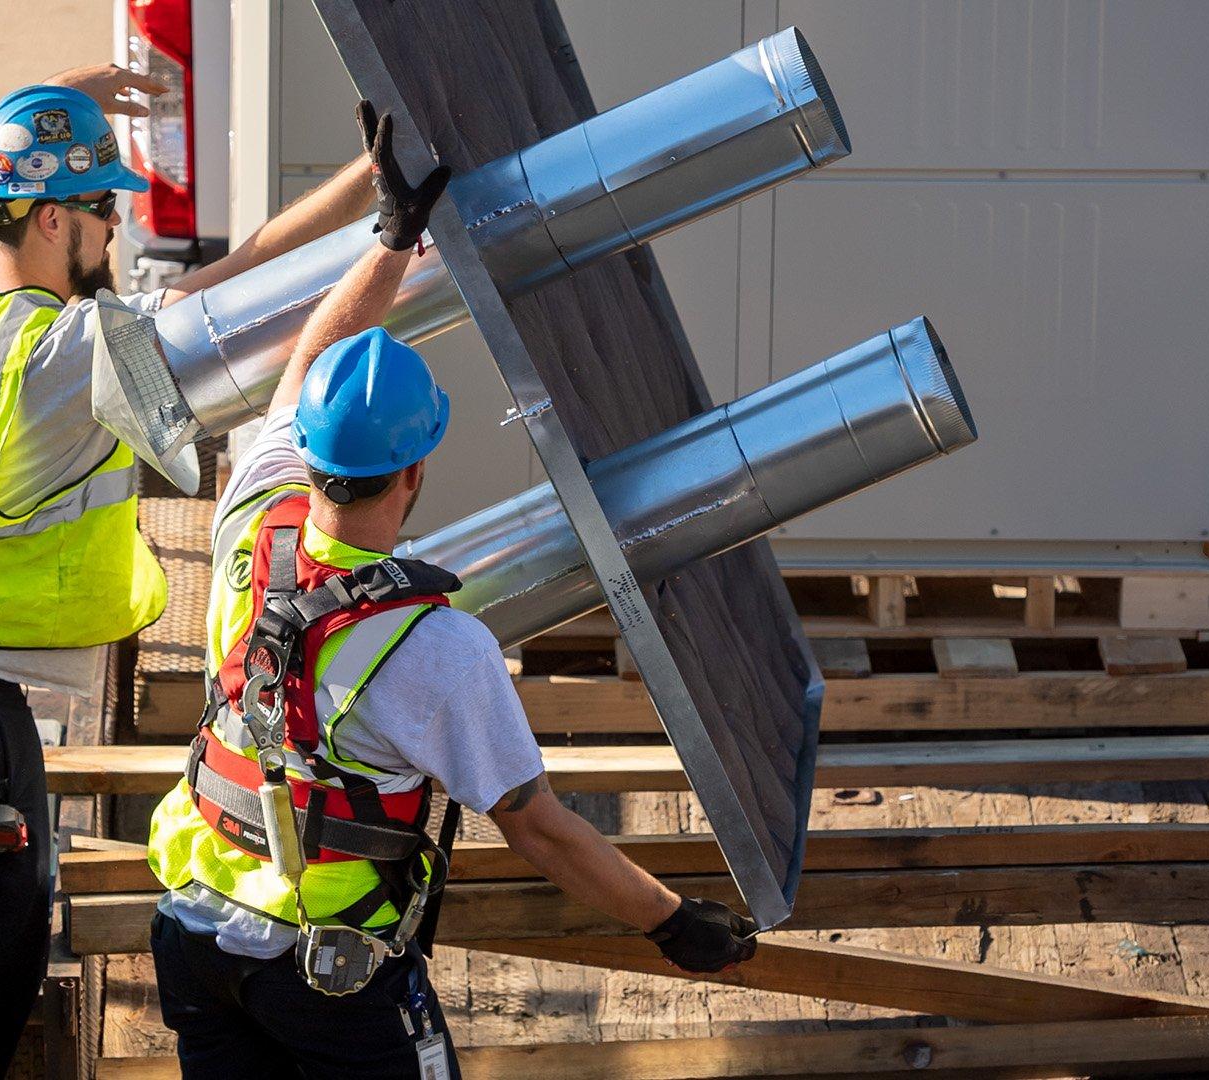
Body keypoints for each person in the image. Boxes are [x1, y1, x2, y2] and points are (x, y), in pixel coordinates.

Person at [144, 104, 758, 1080]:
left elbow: (309, 364)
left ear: (311, 453)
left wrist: (390, 239)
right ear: (415, 474)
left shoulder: (250, 521)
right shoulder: (436, 651)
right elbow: (541, 829)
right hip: (323, 967)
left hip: (195, 928)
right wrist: (675, 922)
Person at [0, 64, 380, 1077]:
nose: (116, 233)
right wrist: (377, 207)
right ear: (51, 220)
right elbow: (246, 283)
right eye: (102, 213)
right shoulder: (76, 353)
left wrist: (32, 103)